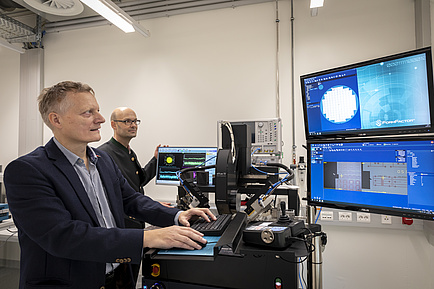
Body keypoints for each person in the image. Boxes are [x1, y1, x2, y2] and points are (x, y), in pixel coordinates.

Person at [4, 81, 215, 289]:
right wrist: (148, 237)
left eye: (98, 110)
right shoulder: (27, 170)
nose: (101, 119)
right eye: (88, 113)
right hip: (72, 282)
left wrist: (176, 216)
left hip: (120, 277)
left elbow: (130, 199)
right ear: (56, 119)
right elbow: (64, 236)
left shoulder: (102, 159)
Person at [98, 107, 169, 284]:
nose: (133, 125)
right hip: (122, 227)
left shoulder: (127, 151)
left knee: (132, 274)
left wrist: (156, 160)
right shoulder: (105, 154)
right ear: (113, 125)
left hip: (134, 224)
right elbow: (117, 195)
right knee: (123, 278)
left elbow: (138, 182)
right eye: (127, 121)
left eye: (135, 121)